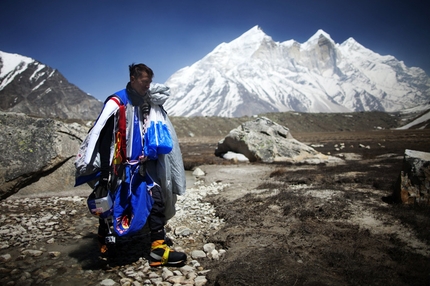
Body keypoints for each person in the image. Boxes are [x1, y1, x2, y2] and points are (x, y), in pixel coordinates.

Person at [92, 63, 187, 267]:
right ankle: (104, 247)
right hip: (117, 167)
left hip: (142, 167)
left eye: (149, 83)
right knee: (109, 206)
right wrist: (104, 174)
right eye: (145, 82)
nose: (148, 87)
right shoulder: (116, 103)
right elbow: (104, 137)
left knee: (157, 200)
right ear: (133, 78)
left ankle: (158, 250)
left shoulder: (148, 103)